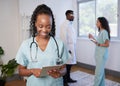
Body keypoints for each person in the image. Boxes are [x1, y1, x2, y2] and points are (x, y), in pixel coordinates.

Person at [15, 4, 69, 86]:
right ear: (35, 23)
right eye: (41, 26)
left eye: (48, 27)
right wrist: (32, 71)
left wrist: (59, 73)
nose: (44, 30)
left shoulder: (59, 44)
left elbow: (64, 68)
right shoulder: (26, 45)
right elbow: (21, 71)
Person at [88, 17, 110, 86]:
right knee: (101, 73)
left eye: (97, 22)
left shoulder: (104, 32)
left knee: (98, 74)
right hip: (99, 55)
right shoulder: (100, 32)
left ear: (101, 23)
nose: (96, 23)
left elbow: (107, 44)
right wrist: (92, 38)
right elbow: (98, 43)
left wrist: (98, 43)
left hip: (102, 55)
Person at [60, 10, 77, 86]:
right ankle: (64, 81)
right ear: (67, 15)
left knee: (70, 64)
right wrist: (67, 50)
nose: (73, 16)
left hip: (72, 46)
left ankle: (68, 78)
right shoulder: (64, 25)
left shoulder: (70, 24)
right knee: (66, 64)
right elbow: (63, 38)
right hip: (68, 47)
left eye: (73, 14)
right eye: (71, 14)